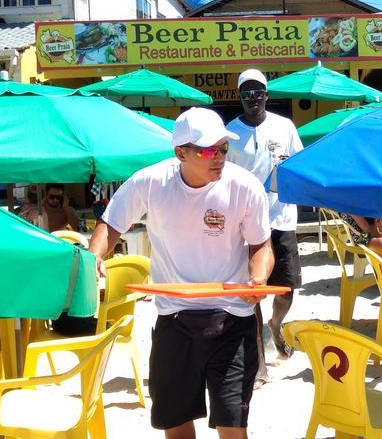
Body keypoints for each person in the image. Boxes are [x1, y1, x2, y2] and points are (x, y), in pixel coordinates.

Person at [89, 107, 274, 439]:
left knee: (233, 426)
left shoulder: (244, 186)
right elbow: (112, 222)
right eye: (207, 150)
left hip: (233, 316)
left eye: (223, 148)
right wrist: (95, 256)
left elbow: (261, 246)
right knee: (174, 424)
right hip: (174, 317)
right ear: (180, 153)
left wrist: (258, 278)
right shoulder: (151, 182)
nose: (217, 157)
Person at [226, 68, 304, 386]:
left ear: (266, 95)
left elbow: (298, 164)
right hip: (247, 226)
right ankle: (258, 364)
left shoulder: (284, 127)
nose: (252, 98)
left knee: (286, 288)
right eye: (246, 92)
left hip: (282, 219)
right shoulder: (230, 133)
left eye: (258, 92)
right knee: (253, 293)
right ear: (240, 97)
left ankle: (276, 324)